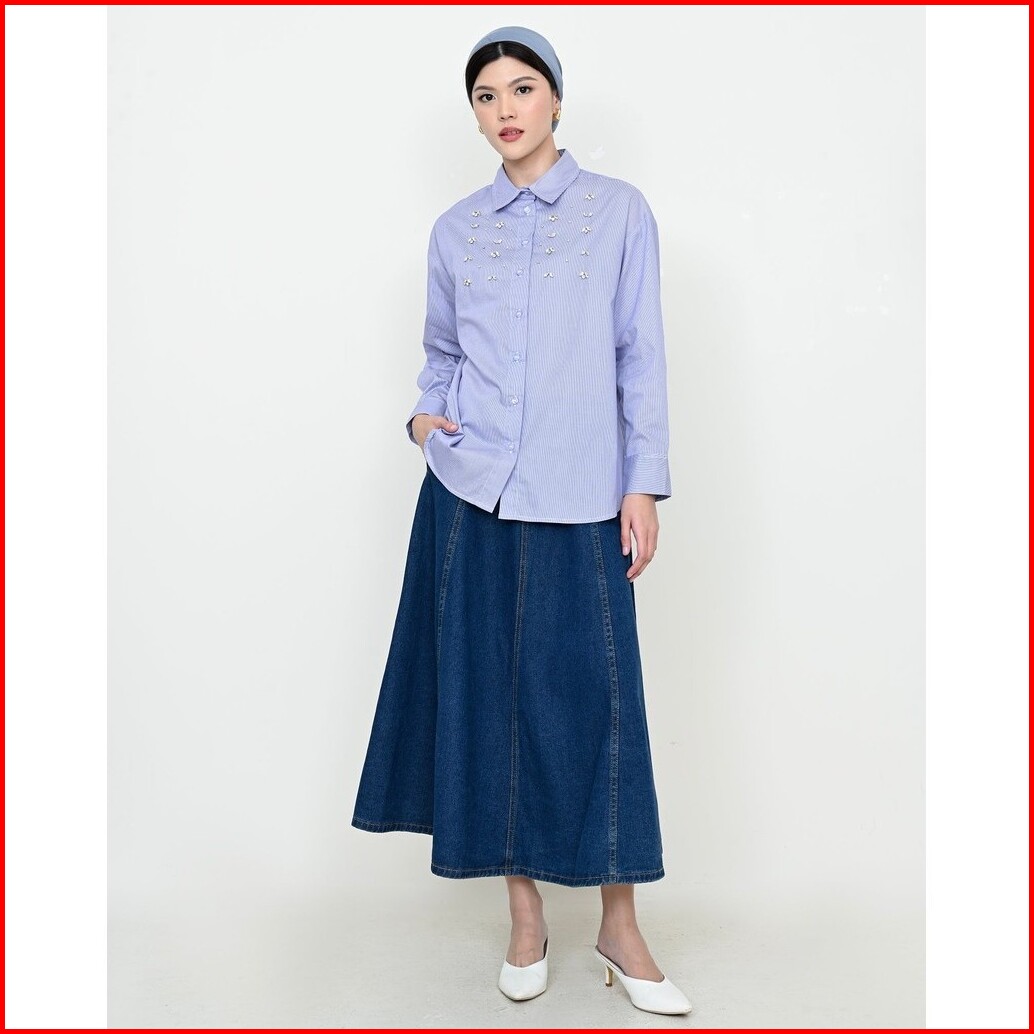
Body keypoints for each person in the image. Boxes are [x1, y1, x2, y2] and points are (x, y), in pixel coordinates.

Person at [351, 25, 691, 1017]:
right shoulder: (457, 230)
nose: (505, 109)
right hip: (471, 495)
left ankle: (620, 928)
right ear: (475, 115)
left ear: (555, 99)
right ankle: (525, 919)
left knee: (598, 706)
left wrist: (642, 483)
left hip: (583, 492)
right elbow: (441, 355)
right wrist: (424, 417)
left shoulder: (617, 212)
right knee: (489, 701)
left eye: (523, 88)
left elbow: (639, 353)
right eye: (487, 96)